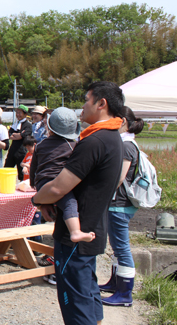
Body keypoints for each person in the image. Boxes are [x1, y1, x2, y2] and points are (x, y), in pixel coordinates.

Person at [32, 81, 125, 325]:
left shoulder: (94, 142)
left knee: (76, 301)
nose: (82, 107)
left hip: (76, 235)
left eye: (86, 99)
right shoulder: (114, 138)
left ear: (101, 103)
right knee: (88, 291)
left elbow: (57, 187)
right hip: (93, 227)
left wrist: (36, 199)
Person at [99, 106, 144, 307]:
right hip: (118, 204)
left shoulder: (126, 146)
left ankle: (125, 293)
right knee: (117, 247)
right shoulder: (127, 143)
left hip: (119, 203)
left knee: (121, 247)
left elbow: (119, 177)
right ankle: (115, 283)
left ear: (123, 121)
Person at [30, 108, 94, 245]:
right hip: (59, 182)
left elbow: (34, 166)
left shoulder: (40, 145)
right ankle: (75, 231)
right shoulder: (72, 145)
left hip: (42, 182)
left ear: (49, 127)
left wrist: (32, 183)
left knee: (55, 203)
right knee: (69, 203)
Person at [4, 104, 32, 181]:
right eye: (17, 112)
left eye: (20, 113)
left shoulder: (28, 125)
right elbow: (9, 135)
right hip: (12, 149)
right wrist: (18, 135)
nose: (18, 114)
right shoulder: (15, 124)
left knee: (22, 173)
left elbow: (21, 136)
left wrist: (18, 135)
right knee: (7, 169)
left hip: (22, 150)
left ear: (25, 114)